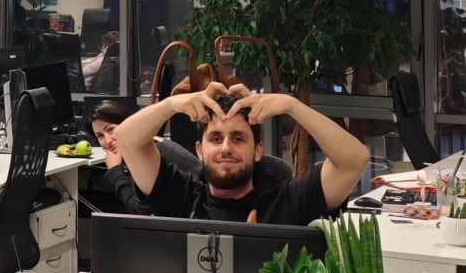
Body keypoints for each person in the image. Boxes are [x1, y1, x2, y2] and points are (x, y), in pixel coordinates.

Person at [114, 82, 370, 224]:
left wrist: (293, 106)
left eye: (238, 138)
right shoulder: (181, 197)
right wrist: (171, 104)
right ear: (200, 150)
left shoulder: (290, 201)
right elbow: (127, 140)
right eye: (216, 138)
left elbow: (354, 160)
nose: (226, 147)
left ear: (258, 150)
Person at [88, 98, 201, 215]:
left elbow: (141, 211)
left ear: (126, 125)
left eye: (111, 129)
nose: (107, 141)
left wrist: (115, 170)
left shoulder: (148, 150)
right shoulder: (148, 142)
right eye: (100, 136)